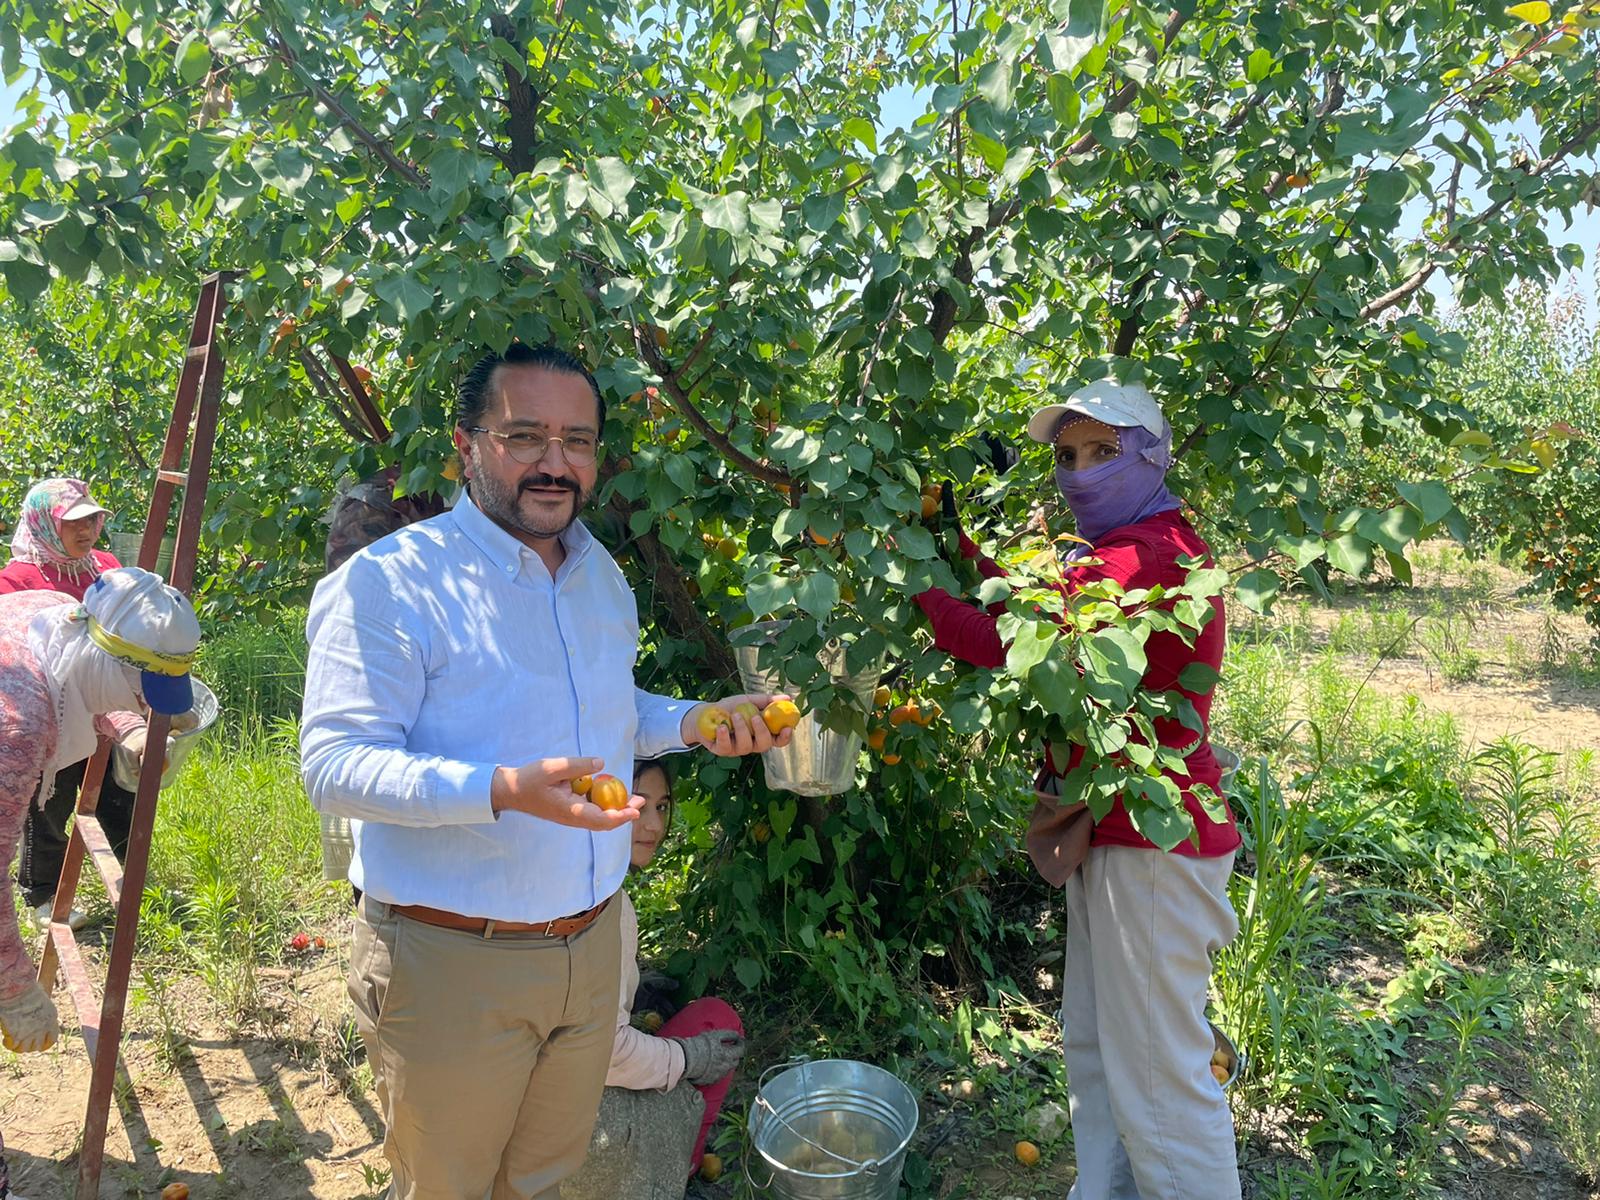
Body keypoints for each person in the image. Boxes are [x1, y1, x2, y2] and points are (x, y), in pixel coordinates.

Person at [299, 342, 792, 1200]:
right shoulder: (393, 582)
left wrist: (693, 723)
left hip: (591, 947)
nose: (555, 464)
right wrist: (500, 791)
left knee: (544, 1182)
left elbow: (608, 705)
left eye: (579, 440)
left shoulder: (599, 576)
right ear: (466, 444)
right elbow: (334, 765)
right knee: (448, 1187)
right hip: (453, 959)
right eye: (525, 436)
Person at [914, 381, 1243, 1200]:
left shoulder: (1149, 555)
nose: (1080, 472)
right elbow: (1027, 612)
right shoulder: (1119, 554)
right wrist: (945, 539)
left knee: (1163, 1077)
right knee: (1100, 1048)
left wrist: (913, 578)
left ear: (1153, 458)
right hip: (1124, 832)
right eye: (1066, 456)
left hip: (1156, 847)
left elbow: (1001, 640)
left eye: (1104, 451)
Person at [0, 568, 201, 1196]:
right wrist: (13, 988)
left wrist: (136, 729)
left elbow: (92, 684)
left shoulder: (63, 613)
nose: (149, 700)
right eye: (145, 690)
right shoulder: (19, 720)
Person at [561, 760, 746, 1200]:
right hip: (576, 1119)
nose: (653, 825)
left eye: (661, 807)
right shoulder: (609, 905)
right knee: (716, 1024)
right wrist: (688, 1056)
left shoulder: (556, 873)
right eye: (635, 804)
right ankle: (679, 1168)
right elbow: (606, 1055)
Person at [0, 479, 137, 931]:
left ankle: (134, 881)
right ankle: (42, 892)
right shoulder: (17, 580)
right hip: (53, 711)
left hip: (109, 706)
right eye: (73, 522)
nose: (88, 531)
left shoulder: (105, 567)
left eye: (92, 520)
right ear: (44, 523)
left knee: (120, 794)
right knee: (50, 801)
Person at [317, 466, 449, 894]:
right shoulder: (376, 498)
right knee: (380, 824)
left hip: (443, 687)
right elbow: (356, 606)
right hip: (388, 684)